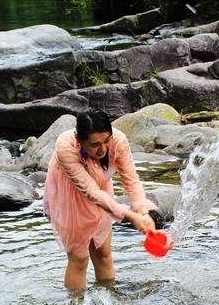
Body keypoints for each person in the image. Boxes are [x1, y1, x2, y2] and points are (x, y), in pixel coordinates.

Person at [44, 109, 158, 290]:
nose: (103, 149)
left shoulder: (118, 140)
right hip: (70, 194)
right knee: (79, 257)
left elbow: (130, 179)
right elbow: (91, 192)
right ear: (80, 141)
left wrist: (142, 213)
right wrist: (130, 216)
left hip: (102, 188)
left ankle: (110, 298)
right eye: (95, 144)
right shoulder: (65, 147)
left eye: (106, 141)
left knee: (103, 252)